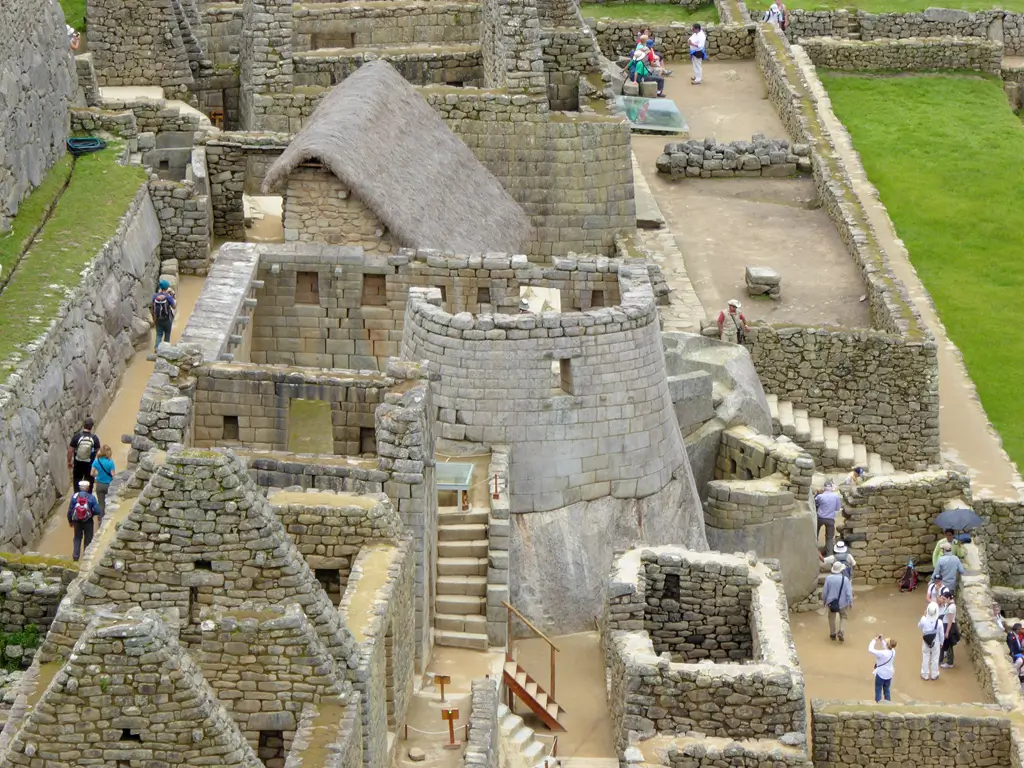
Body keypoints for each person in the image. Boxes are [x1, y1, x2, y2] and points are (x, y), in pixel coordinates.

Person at [67, 480, 102, 561]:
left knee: (77, 538)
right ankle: (86, 557)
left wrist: (70, 521)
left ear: (79, 488)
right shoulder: (91, 498)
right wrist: (91, 514)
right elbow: (98, 511)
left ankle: (75, 557)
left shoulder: (74, 497)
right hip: (88, 521)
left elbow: (70, 510)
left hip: (76, 521)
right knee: (88, 538)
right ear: (87, 488)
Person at [822, 560, 853, 642]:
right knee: (843, 616)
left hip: (831, 603)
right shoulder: (845, 579)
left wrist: (824, 601)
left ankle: (833, 634)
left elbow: (825, 592)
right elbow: (848, 592)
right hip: (843, 603)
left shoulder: (828, 578)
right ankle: (841, 632)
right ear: (841, 570)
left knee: (831, 618)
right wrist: (850, 602)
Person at [67, 417, 100, 493]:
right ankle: (88, 497)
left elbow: (70, 450)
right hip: (89, 465)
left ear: (84, 425)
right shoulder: (94, 438)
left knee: (77, 481)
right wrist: (96, 465)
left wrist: (69, 461)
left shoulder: (77, 436)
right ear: (91, 427)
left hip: (78, 464)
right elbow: (98, 453)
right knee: (89, 482)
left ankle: (77, 496)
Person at [814, 480, 842, 556]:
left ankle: (814, 552)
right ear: (831, 488)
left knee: (815, 535)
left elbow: (814, 504)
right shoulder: (836, 496)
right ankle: (829, 555)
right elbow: (837, 508)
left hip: (820, 518)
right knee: (829, 537)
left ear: (824, 488)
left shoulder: (820, 497)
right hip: (830, 519)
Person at [918, 601, 945, 680]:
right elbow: (941, 634)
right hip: (936, 642)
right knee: (935, 659)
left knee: (925, 657)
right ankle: (934, 675)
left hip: (926, 642)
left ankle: (925, 674)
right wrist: (942, 642)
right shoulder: (939, 622)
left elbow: (919, 626)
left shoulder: (923, 620)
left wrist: (923, 616)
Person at [869, 636, 897, 702]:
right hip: (889, 674)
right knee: (887, 690)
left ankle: (878, 703)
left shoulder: (882, 653)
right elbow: (887, 646)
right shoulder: (893, 651)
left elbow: (870, 649)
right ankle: (888, 703)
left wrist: (874, 640)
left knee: (878, 690)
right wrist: (882, 640)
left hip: (881, 674)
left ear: (887, 644)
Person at [152, 279, 177, 352]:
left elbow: (153, 308)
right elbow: (174, 307)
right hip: (167, 320)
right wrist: (174, 299)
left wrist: (154, 319)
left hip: (158, 319)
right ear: (167, 287)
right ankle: (165, 349)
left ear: (160, 287)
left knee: (159, 335)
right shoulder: (168, 297)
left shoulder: (155, 296)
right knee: (167, 334)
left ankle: (157, 348)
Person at [90, 445, 116, 514]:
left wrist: (98, 475)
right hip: (109, 485)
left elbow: (92, 473)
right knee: (109, 503)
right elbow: (113, 475)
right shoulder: (111, 462)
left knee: (101, 504)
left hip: (99, 485)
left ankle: (100, 518)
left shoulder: (96, 461)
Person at [939, 589, 960, 669]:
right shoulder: (949, 604)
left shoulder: (951, 607)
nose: (943, 600)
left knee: (949, 645)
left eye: (944, 599)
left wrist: (947, 632)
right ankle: (946, 659)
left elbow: (950, 621)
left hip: (949, 627)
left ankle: (950, 663)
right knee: (947, 644)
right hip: (947, 626)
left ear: (948, 598)